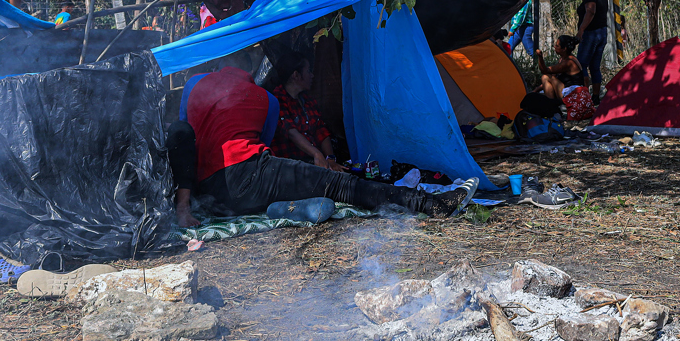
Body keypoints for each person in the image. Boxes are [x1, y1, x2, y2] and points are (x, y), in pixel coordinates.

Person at [166, 54, 474, 227]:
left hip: (209, 194)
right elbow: (265, 143)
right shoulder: (265, 98)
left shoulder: (195, 84)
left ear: (219, 68)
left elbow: (186, 132)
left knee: (180, 131)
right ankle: (431, 204)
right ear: (249, 72)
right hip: (248, 174)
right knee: (337, 183)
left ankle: (186, 210)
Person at [270, 53, 342, 170]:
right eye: (308, 71)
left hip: (311, 166)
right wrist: (317, 154)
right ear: (296, 75)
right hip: (289, 170)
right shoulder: (277, 100)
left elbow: (320, 130)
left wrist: (330, 158)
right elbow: (291, 132)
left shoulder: (307, 100)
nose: (312, 75)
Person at [576, 0, 609, 103]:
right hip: (602, 32)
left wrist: (581, 30)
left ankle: (584, 96)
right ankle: (595, 97)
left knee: (581, 64)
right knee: (594, 66)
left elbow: (590, 11)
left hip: (591, 33)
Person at [535, 35, 586, 104]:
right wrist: (536, 90)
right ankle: (552, 103)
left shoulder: (569, 62)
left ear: (564, 49)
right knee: (547, 79)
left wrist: (540, 57)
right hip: (566, 90)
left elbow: (545, 71)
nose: (554, 47)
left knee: (545, 77)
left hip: (573, 95)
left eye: (557, 46)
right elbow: (554, 76)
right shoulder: (563, 59)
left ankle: (552, 106)